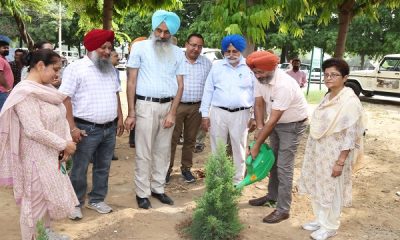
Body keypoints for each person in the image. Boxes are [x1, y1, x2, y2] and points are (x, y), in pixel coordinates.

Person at [0, 49, 78, 240]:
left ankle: (47, 234)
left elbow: (61, 117)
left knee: (47, 200)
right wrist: (64, 144)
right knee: (34, 205)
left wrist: (66, 141)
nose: (57, 74)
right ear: (41, 66)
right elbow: (33, 130)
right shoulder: (25, 93)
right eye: (55, 69)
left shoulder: (48, 90)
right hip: (35, 159)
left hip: (52, 154)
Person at [59, 29, 124, 220]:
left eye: (109, 47)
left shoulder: (110, 68)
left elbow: (115, 93)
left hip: (109, 128)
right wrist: (72, 128)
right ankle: (75, 203)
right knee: (79, 168)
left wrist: (119, 117)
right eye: (103, 47)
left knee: (103, 167)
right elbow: (65, 99)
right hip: (85, 129)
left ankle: (96, 199)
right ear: (91, 46)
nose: (106, 51)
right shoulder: (76, 68)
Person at [297, 58, 365, 240]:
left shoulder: (349, 101)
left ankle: (331, 226)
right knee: (319, 185)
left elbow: (351, 135)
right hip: (320, 150)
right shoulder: (328, 97)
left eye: (334, 74)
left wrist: (340, 162)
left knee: (332, 189)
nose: (329, 78)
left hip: (336, 154)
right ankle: (320, 220)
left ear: (345, 77)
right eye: (326, 74)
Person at [124, 10, 185, 209]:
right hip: (145, 106)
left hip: (168, 107)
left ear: (172, 33)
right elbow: (131, 81)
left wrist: (173, 112)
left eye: (166, 32)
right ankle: (142, 193)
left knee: (163, 151)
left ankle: (158, 189)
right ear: (153, 28)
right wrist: (131, 112)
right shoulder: (139, 48)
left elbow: (180, 85)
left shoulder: (178, 52)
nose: (161, 35)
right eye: (158, 30)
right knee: (144, 151)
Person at [246, 51, 308, 223]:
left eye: (260, 72)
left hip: (293, 125)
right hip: (274, 123)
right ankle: (272, 196)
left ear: (272, 68)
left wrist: (257, 144)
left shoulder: (284, 85)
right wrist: (259, 127)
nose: (257, 75)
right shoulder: (260, 77)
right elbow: (259, 103)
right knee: (273, 161)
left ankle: (283, 209)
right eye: (255, 72)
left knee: (284, 166)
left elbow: (272, 121)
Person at [199, 34, 256, 185]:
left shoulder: (250, 67)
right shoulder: (217, 66)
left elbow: (257, 93)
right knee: (218, 147)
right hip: (218, 112)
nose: (231, 54)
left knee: (239, 147)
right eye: (227, 51)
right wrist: (205, 115)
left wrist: (255, 116)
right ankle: (218, 179)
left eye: (234, 51)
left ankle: (237, 181)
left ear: (241, 51)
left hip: (241, 113)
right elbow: (208, 90)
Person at [167, 33, 212, 183]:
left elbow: (209, 88)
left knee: (190, 140)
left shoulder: (207, 64)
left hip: (196, 108)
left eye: (199, 46)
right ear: (186, 44)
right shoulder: (175, 61)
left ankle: (186, 169)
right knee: (171, 139)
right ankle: (166, 169)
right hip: (177, 106)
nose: (196, 49)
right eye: (193, 45)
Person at [126, 37, 147, 149]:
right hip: (135, 92)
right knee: (134, 114)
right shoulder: (132, 60)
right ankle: (133, 139)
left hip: (144, 92)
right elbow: (131, 80)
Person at [0, 35, 14, 111]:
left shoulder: (3, 59)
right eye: (4, 48)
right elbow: (0, 75)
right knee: (2, 113)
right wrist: (8, 89)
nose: (6, 49)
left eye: (7, 48)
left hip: (4, 91)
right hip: (2, 92)